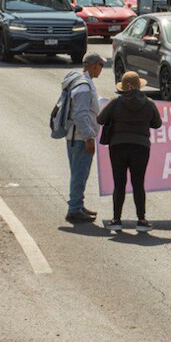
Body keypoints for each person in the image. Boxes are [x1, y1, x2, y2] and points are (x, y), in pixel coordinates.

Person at [98, 70, 162, 232]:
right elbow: (157, 124)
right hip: (141, 147)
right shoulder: (148, 103)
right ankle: (141, 220)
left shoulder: (116, 102)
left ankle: (116, 220)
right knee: (138, 183)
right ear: (139, 86)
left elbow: (100, 119)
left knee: (119, 184)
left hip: (118, 146)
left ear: (124, 87)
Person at [62, 53, 105, 224]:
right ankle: (74, 210)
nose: (101, 69)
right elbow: (80, 115)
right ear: (94, 65)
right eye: (101, 65)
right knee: (80, 174)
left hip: (75, 136)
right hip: (80, 138)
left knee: (78, 173)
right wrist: (88, 137)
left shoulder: (79, 80)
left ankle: (78, 205)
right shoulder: (84, 87)